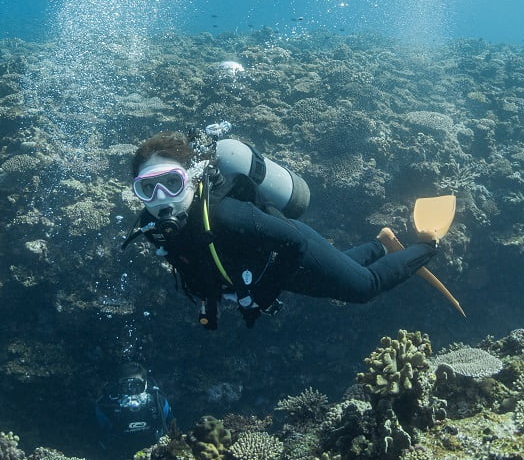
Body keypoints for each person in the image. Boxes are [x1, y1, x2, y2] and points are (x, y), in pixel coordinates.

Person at [122, 130, 443, 329]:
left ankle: (428, 244)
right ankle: (382, 244)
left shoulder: (228, 215)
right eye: (147, 189)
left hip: (290, 246)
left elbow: (294, 242)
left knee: (363, 288)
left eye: (172, 183)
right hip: (272, 267)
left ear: (191, 178)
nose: (161, 198)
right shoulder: (154, 227)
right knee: (342, 271)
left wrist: (261, 296)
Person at [93, 363, 172, 454]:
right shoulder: (107, 408)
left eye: (137, 386)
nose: (133, 393)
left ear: (145, 385)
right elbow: (99, 437)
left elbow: (171, 428)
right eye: (126, 387)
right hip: (118, 456)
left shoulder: (159, 403)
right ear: (119, 387)